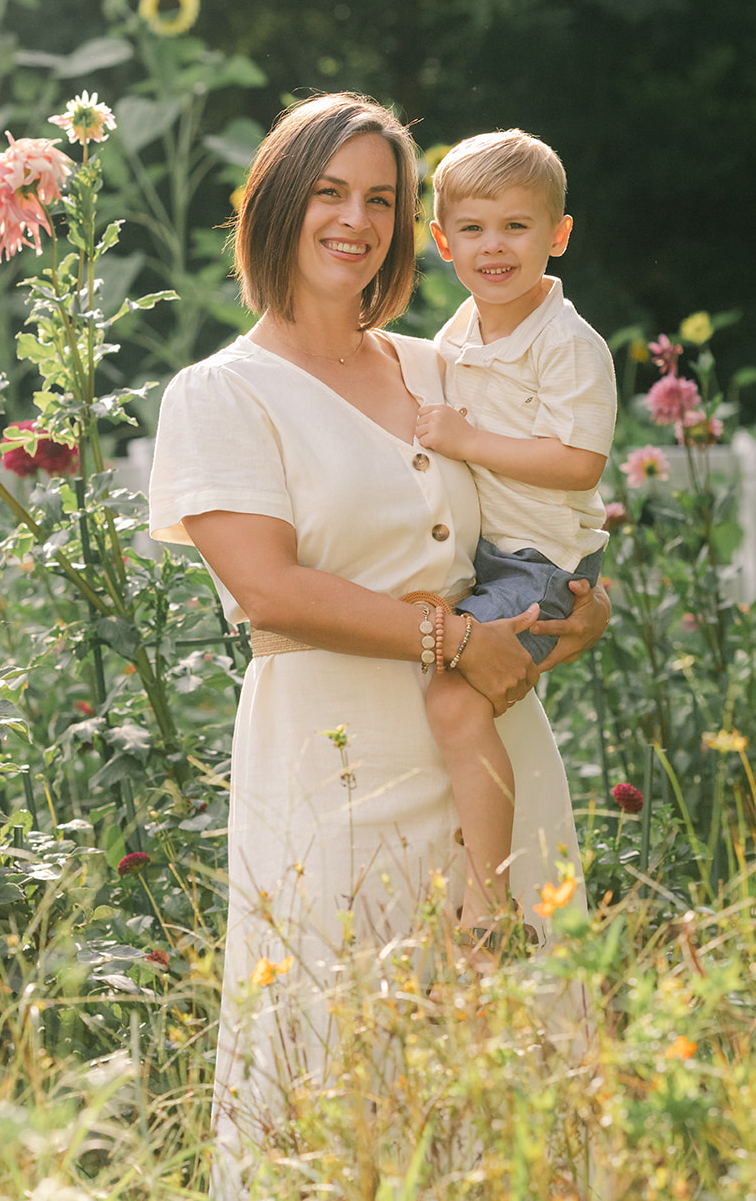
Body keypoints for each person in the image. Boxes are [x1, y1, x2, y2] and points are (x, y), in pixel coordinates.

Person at [147, 93, 609, 1196]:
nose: (354, 219)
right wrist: (448, 632)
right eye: (326, 192)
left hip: (495, 754)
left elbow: (538, 500)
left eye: (381, 200)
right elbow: (268, 589)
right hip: (334, 769)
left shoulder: (443, 366)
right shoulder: (219, 394)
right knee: (341, 1070)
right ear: (268, 205)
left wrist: (569, 617)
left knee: (518, 1075)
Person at [414, 130, 616, 943]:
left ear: (557, 235)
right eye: (472, 228)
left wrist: (468, 443)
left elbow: (577, 463)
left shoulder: (569, 344)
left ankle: (491, 905)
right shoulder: (454, 337)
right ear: (442, 243)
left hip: (540, 561)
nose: (493, 246)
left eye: (516, 226)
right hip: (489, 555)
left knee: (455, 701)